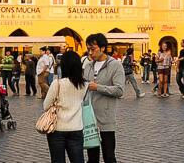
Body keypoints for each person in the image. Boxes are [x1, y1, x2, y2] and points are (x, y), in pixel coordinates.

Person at [82, 33, 124, 163]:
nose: (90, 52)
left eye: (93, 49)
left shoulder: (115, 65)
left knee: (109, 157)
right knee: (92, 158)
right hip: (90, 118)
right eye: (88, 49)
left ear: (103, 48)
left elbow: (119, 90)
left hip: (106, 119)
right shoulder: (88, 66)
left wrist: (98, 87)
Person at [43, 49, 89, 163]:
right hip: (76, 128)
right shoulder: (84, 85)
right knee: (78, 160)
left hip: (57, 129)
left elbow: (46, 106)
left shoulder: (57, 83)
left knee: (57, 160)